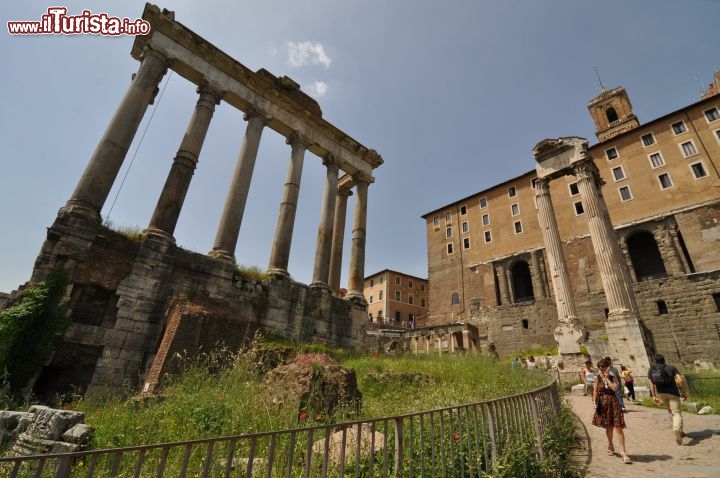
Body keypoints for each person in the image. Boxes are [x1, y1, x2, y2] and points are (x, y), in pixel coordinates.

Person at [593, 358, 631, 464]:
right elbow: (595, 391)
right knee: (609, 426)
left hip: (613, 403)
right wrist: (594, 403)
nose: (601, 368)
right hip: (603, 404)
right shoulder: (596, 378)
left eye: (603, 366)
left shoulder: (612, 377)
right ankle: (610, 444)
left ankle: (623, 452)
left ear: (607, 367)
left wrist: (608, 380)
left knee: (618, 427)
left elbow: (615, 389)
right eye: (599, 366)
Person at [649, 354, 688, 445]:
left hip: (661, 394)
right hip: (673, 393)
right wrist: (684, 393)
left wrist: (654, 396)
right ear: (664, 360)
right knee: (677, 413)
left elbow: (651, 384)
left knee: (670, 411)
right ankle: (676, 429)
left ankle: (680, 432)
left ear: (654, 361)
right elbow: (680, 380)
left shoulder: (651, 370)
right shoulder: (671, 368)